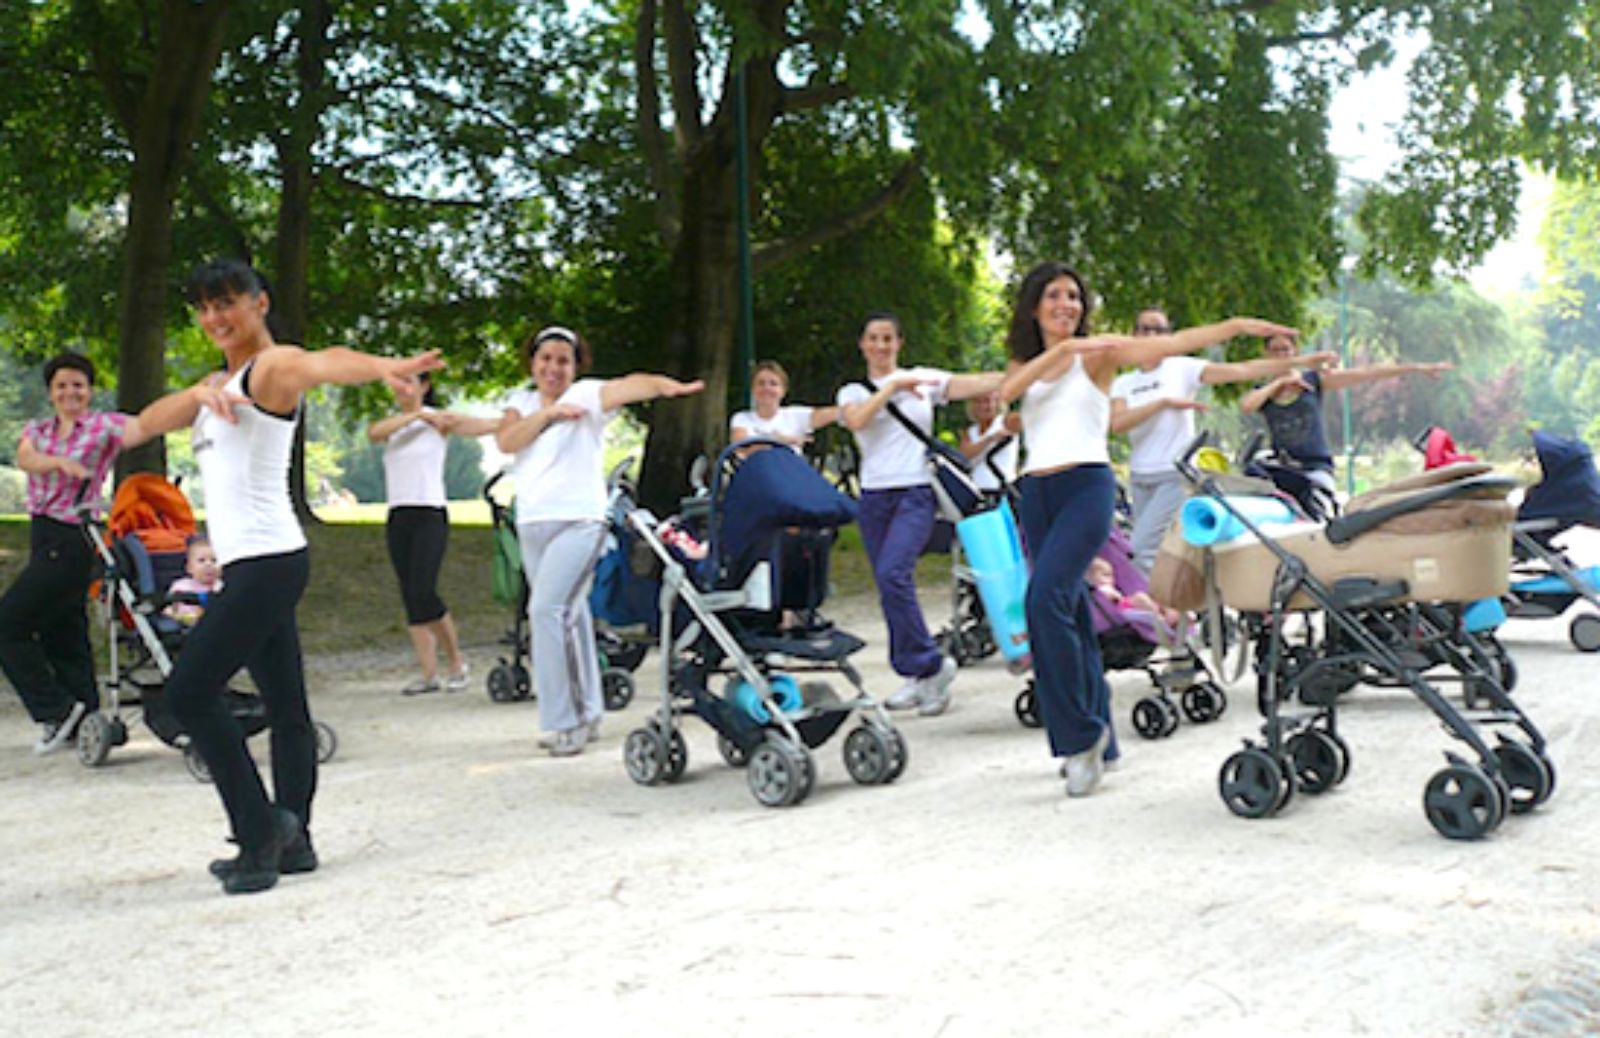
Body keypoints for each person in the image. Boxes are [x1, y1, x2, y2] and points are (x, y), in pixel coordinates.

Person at [130, 257, 443, 895]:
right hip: (257, 563)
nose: (215, 317)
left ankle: (258, 833)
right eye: (205, 306)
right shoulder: (221, 382)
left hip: (269, 562)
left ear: (260, 304)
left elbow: (320, 361)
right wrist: (193, 395)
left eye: (228, 303)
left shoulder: (270, 369)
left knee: (189, 694)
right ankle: (294, 837)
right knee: (287, 707)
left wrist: (382, 368)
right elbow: (142, 423)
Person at [999, 261, 1294, 797]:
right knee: (1067, 610)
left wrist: (1235, 328)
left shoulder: (1101, 354)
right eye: (1055, 296)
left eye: (1074, 296)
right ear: (1035, 305)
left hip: (1085, 488)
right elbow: (1004, 393)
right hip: (1036, 493)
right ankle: (1104, 739)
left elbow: (1177, 341)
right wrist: (1057, 355)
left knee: (1044, 602)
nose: (1067, 305)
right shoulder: (1031, 362)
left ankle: (1079, 741)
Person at [496, 325, 702, 757]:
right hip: (534, 522)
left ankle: (562, 721)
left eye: (563, 361)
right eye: (546, 359)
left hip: (580, 522)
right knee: (569, 617)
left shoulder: (587, 394)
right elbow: (507, 440)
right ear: (533, 363)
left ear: (576, 366)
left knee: (546, 611)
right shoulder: (521, 402)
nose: (553, 368)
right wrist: (548, 415)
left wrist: (666, 387)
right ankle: (588, 713)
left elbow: (630, 386)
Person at [836, 311, 1004, 717]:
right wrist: (893, 385)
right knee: (889, 584)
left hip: (915, 490)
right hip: (875, 496)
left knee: (895, 572)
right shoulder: (852, 391)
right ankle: (919, 674)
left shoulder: (922, 379)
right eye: (873, 338)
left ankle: (931, 665)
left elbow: (972, 383)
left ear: (899, 344)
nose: (881, 346)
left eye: (888, 339)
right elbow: (857, 421)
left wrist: (1026, 371)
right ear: (862, 344)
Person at [0, 352, 163, 754]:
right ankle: (86, 720)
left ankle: (55, 710)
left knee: (8, 624)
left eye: (78, 384)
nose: (70, 392)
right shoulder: (38, 431)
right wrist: (59, 462)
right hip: (44, 535)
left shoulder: (104, 427)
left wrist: (198, 398)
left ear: (90, 391)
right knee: (63, 629)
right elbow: (26, 458)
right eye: (61, 385)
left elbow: (145, 425)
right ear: (51, 393)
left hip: (74, 537)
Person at [1110, 307, 1336, 571]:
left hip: (1174, 473)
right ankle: (1172, 609)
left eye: (1159, 330)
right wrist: (1162, 403)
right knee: (1158, 551)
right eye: (1145, 329)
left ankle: (1152, 611)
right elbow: (1117, 423)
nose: (1151, 336)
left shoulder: (1181, 368)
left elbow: (1241, 370)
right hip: (1140, 475)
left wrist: (1301, 363)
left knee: (1140, 548)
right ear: (1134, 334)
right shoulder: (1124, 382)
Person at [366, 371, 499, 696]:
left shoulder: (439, 422)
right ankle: (429, 674)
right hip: (399, 514)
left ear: (425, 386)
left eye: (411, 382)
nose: (404, 389)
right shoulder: (396, 425)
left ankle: (456, 663)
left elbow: (475, 425)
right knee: (410, 594)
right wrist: (414, 415)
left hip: (429, 513)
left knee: (424, 589)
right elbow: (374, 433)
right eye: (399, 383)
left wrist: (507, 422)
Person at [1238, 332, 1452, 497]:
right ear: (1266, 354)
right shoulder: (1264, 391)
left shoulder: (1314, 381)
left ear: (1295, 351)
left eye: (1286, 350)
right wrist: (1280, 382)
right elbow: (1247, 405)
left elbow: (1366, 373)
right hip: (1283, 471)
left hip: (1315, 469)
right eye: (1275, 351)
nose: (1281, 356)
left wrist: (1417, 368)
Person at [728, 360, 840, 451]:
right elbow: (741, 448)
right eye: (761, 383)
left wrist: (849, 410)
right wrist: (782, 440)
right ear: (753, 390)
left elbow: (824, 414)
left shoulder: (794, 415)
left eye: (773, 384)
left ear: (783, 391)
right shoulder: (741, 418)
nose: (767, 388)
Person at [1087, 557, 1182, 630]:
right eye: (1106, 575)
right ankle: (1160, 617)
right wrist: (1117, 596)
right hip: (1120, 610)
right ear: (1091, 577)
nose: (1112, 579)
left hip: (1123, 607)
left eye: (1112, 575)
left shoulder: (1105, 588)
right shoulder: (1100, 589)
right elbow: (1114, 599)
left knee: (1151, 599)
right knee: (1141, 597)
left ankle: (1171, 615)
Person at [958, 390, 1021, 494]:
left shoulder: (1006, 421)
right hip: (977, 490)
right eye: (978, 402)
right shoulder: (971, 431)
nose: (983, 406)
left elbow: (1027, 417)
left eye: (987, 401)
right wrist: (990, 439)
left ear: (997, 403)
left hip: (1002, 487)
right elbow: (964, 455)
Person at [165, 535, 223, 626]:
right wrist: (173, 614)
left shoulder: (221, 586)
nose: (208, 564)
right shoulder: (181, 586)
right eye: (201, 560)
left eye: (214, 561)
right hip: (185, 626)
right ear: (189, 568)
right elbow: (169, 607)